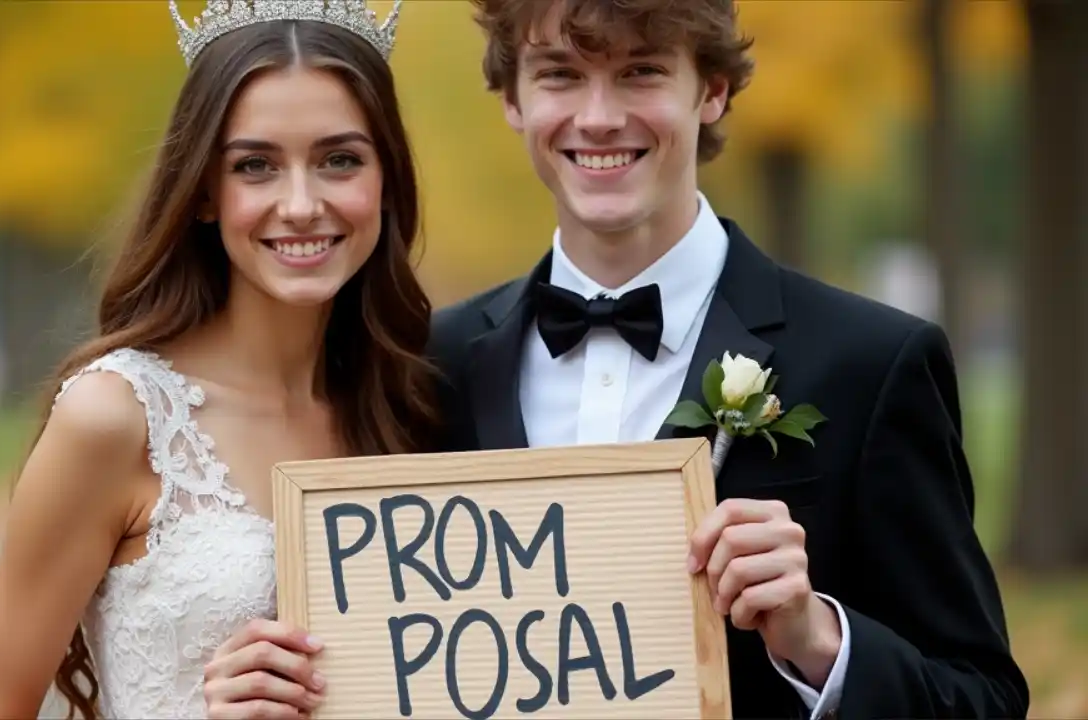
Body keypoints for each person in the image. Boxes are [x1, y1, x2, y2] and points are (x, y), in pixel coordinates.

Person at [425, 0, 1030, 718]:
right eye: (559, 75)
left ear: (711, 90)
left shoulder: (872, 364)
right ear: (511, 99)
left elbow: (982, 697)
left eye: (640, 71)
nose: (597, 117)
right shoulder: (434, 363)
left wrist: (821, 642)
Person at [0, 1, 436, 718]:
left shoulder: (413, 409)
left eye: (339, 160)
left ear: (386, 179)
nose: (301, 204)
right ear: (205, 191)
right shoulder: (116, 419)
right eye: (256, 166)